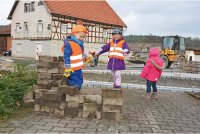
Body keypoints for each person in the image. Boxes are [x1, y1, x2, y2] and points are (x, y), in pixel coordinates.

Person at [62, 25, 89, 90]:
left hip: (78, 68)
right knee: (75, 83)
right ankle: (72, 95)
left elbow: (79, 53)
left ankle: (75, 93)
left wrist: (85, 57)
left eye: (83, 37)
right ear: (74, 34)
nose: (82, 38)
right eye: (81, 36)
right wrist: (67, 68)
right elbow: (66, 56)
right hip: (72, 69)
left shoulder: (79, 43)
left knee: (80, 81)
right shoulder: (69, 44)